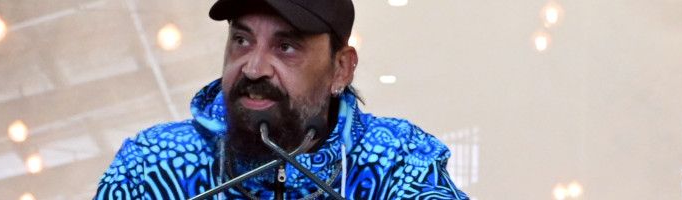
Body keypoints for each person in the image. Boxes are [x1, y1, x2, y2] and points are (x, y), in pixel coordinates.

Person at [92, 0, 468, 199]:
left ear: (341, 68)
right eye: (241, 40)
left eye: (286, 47)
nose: (254, 68)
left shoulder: (401, 163)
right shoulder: (151, 166)